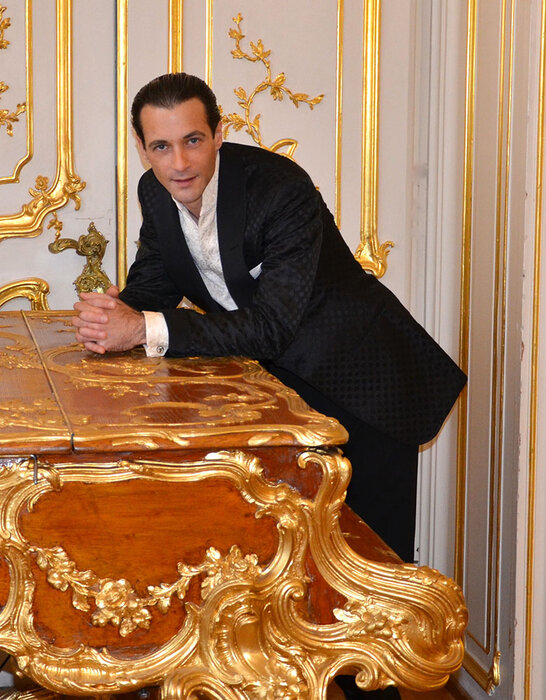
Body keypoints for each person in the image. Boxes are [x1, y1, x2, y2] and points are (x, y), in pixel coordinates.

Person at [72, 72, 465, 699]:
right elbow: (155, 284)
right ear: (143, 149)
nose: (179, 163)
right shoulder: (155, 192)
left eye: (193, 140)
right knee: (285, 572)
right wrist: (116, 312)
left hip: (365, 384)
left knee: (365, 579)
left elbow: (271, 325)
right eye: (162, 146)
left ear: (219, 133)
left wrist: (142, 327)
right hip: (281, 398)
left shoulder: (279, 189)